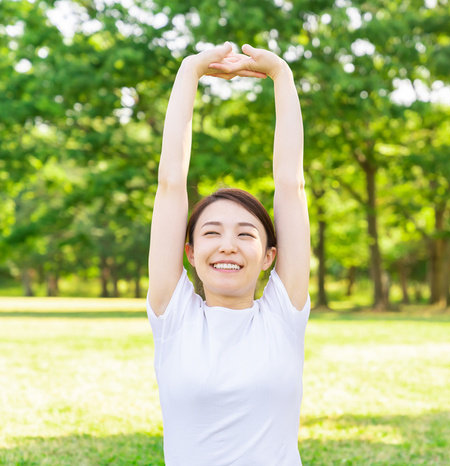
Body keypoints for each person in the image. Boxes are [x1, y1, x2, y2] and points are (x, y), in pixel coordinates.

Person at [145, 42, 311, 465]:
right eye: (212, 232)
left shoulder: (282, 315)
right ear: (190, 251)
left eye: (246, 234)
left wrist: (282, 76)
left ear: (270, 255)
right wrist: (189, 72)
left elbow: (290, 186)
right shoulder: (174, 316)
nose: (227, 245)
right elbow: (170, 185)